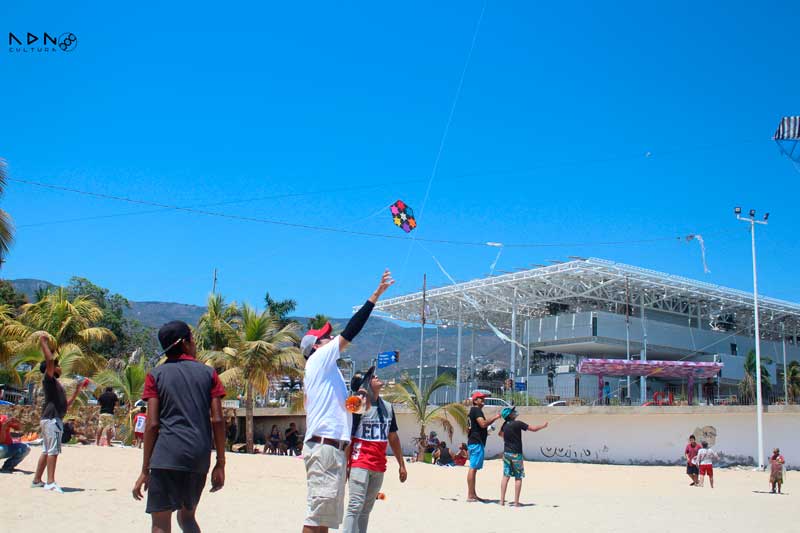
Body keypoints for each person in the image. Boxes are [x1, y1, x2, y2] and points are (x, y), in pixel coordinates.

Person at [300, 269, 394, 533]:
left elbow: (348, 409)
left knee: (324, 521)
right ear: (315, 347)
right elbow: (352, 330)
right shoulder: (318, 360)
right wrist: (375, 296)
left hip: (333, 449)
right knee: (316, 517)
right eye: (326, 337)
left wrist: (359, 405)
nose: (331, 338)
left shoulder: (329, 375)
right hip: (325, 448)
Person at [132, 320, 227, 533]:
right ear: (184, 343)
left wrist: (145, 469)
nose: (195, 344)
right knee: (187, 518)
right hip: (197, 456)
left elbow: (153, 424)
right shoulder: (209, 373)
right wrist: (220, 462)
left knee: (160, 522)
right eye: (192, 339)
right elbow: (218, 420)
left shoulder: (155, 375)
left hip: (166, 456)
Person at [343, 366, 406, 533]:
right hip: (359, 462)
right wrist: (345, 466)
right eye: (371, 376)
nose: (376, 376)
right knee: (355, 506)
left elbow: (393, 437)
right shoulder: (357, 405)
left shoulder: (388, 407)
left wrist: (402, 464)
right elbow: (347, 438)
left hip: (379, 466)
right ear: (364, 384)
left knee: (366, 510)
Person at [32, 334, 88, 493]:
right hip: (52, 420)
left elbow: (66, 404)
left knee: (46, 450)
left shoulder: (55, 384)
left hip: (50, 419)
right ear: (51, 369)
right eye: (57, 365)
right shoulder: (48, 380)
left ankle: (37, 480)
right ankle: (50, 482)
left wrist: (77, 391)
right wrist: (43, 342)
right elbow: (49, 361)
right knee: (53, 451)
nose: (59, 366)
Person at [498, 407, 548, 507]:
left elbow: (500, 434)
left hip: (507, 453)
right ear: (510, 415)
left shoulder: (504, 425)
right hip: (516, 454)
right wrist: (543, 426)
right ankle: (516, 503)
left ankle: (502, 501)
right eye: (513, 412)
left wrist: (507, 437)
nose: (515, 412)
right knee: (518, 477)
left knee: (505, 476)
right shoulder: (518, 423)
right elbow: (533, 429)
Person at [466, 391, 502, 502]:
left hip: (474, 441)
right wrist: (496, 417)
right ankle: (470, 495)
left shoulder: (473, 411)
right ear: (475, 401)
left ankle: (473, 494)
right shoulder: (476, 410)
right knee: (473, 468)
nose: (483, 400)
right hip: (476, 443)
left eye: (483, 398)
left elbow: (469, 428)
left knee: (474, 468)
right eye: (481, 398)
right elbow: (483, 424)